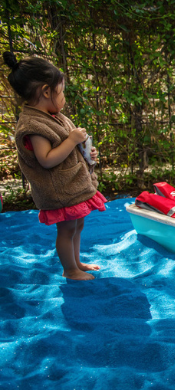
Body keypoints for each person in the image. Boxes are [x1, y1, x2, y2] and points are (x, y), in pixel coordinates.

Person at [3, 52, 105, 281]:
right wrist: (72, 141)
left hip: (72, 186)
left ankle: (76, 262)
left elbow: (67, 147)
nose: (64, 98)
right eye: (62, 92)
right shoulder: (33, 126)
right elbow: (46, 159)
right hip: (59, 191)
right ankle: (69, 270)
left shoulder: (53, 116)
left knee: (77, 225)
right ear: (46, 91)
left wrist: (85, 150)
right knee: (66, 229)